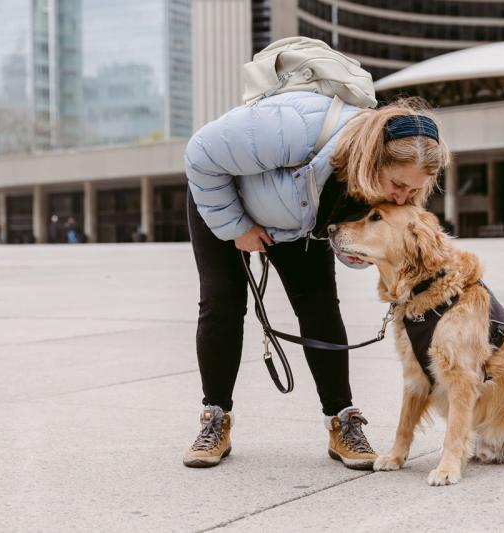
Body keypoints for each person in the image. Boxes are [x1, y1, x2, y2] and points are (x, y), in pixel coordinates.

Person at [183, 90, 450, 469]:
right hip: (223, 198)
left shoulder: (391, 185)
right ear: (374, 158)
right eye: (397, 184)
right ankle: (215, 417)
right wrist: (236, 227)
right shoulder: (297, 126)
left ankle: (343, 420)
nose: (402, 197)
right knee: (221, 303)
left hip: (294, 221)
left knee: (320, 307)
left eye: (414, 190)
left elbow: (353, 234)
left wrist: (363, 252)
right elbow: (200, 154)